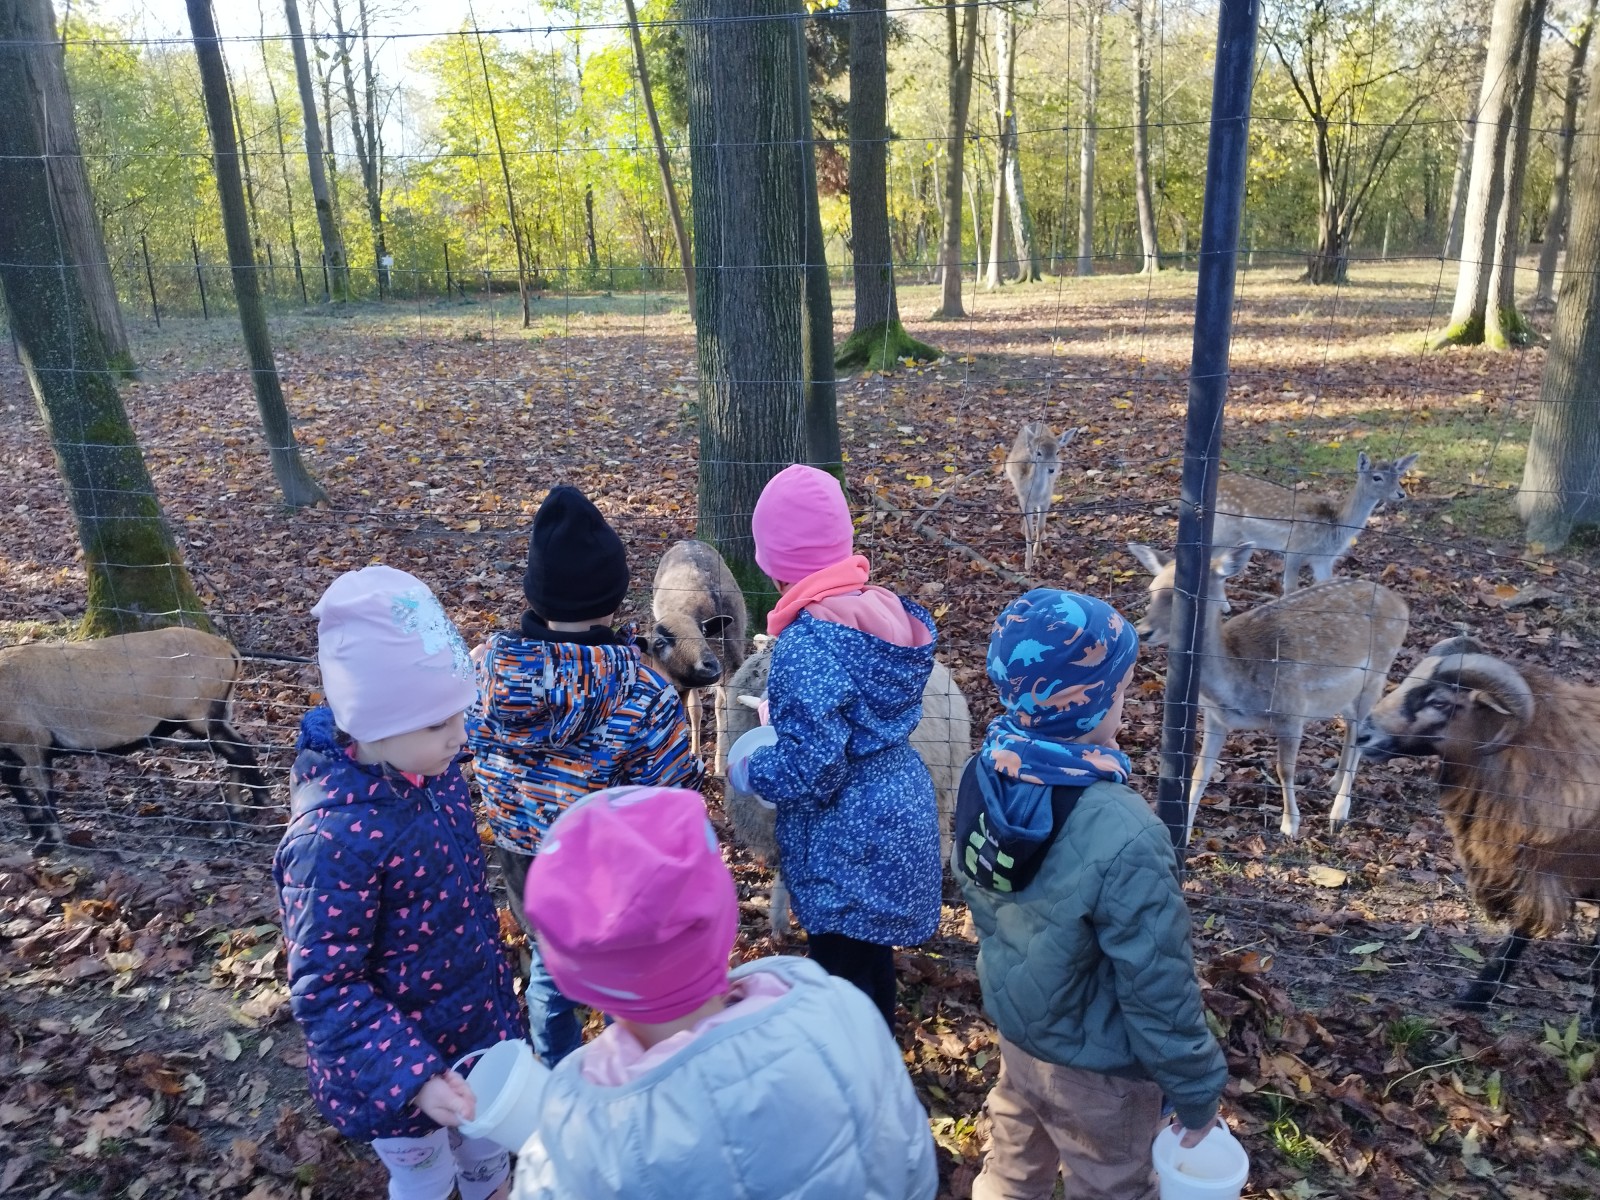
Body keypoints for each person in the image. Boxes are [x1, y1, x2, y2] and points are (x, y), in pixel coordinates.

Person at [507, 785, 938, 1200]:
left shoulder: (574, 1141)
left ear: (575, 978)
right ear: (724, 916)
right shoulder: (840, 1010)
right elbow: (911, 1164)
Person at [956, 588, 1229, 1200]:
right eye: (1120, 692)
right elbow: (1157, 981)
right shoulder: (1126, 831)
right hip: (1101, 1072)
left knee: (1011, 1169)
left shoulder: (985, 773)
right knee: (1111, 1185)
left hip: (1020, 1034)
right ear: (1081, 703)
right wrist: (1195, 1089)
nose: (1125, 711)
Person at [275, 565, 527, 1200]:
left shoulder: (431, 775)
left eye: (459, 715)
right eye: (438, 724)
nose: (460, 737)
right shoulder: (329, 842)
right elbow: (326, 987)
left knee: (488, 1160)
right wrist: (413, 1077)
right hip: (397, 1070)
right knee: (425, 1177)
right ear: (372, 725)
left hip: (476, 1035)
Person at [468, 484, 702, 1064]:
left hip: (526, 864)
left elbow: (465, 744)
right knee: (628, 976)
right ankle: (633, 1068)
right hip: (614, 877)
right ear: (615, 596)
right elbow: (677, 797)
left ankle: (555, 1075)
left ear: (537, 593)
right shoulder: (644, 693)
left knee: (552, 974)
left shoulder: (483, 674)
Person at [725, 464, 942, 1028]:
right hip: (900, 805)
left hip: (848, 834)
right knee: (872, 960)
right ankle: (881, 1055)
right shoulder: (884, 613)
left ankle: (849, 1066)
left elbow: (815, 767)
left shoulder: (806, 643)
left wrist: (753, 769)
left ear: (774, 566)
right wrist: (792, 714)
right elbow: (856, 708)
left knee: (837, 974)